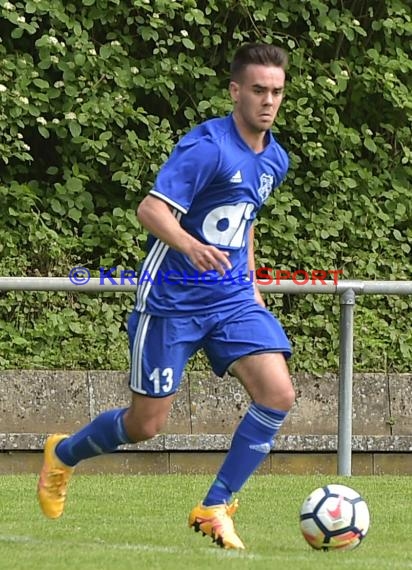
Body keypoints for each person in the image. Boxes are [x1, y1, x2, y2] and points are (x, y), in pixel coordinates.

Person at [37, 42, 295, 550]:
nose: (269, 101)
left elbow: (244, 223)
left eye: (278, 91)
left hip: (232, 299)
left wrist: (253, 285)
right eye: (260, 90)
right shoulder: (207, 147)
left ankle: (215, 505)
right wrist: (191, 245)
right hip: (172, 302)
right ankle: (63, 455)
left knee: (278, 394)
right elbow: (152, 211)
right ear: (236, 91)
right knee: (145, 426)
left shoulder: (275, 159)